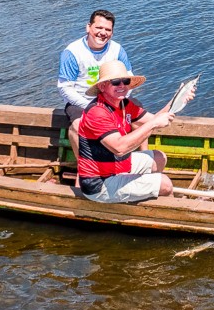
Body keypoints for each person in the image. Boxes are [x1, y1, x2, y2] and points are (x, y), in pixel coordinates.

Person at [76, 59, 192, 203]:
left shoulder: (124, 104)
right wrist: (153, 124)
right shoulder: (97, 112)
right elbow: (119, 148)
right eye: (116, 82)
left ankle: (146, 194)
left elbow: (155, 119)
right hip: (99, 184)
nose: (122, 85)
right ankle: (163, 208)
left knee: (159, 157)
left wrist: (179, 98)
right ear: (102, 86)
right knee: (165, 184)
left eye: (125, 81)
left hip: (116, 166)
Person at [58, 10, 131, 133]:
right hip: (81, 101)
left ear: (112, 33)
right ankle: (81, 153)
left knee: (138, 116)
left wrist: (118, 101)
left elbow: (130, 77)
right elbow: (64, 88)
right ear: (88, 27)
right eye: (99, 27)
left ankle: (143, 151)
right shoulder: (72, 52)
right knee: (78, 126)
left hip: (113, 99)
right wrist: (91, 107)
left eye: (108, 30)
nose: (103, 33)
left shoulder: (117, 50)